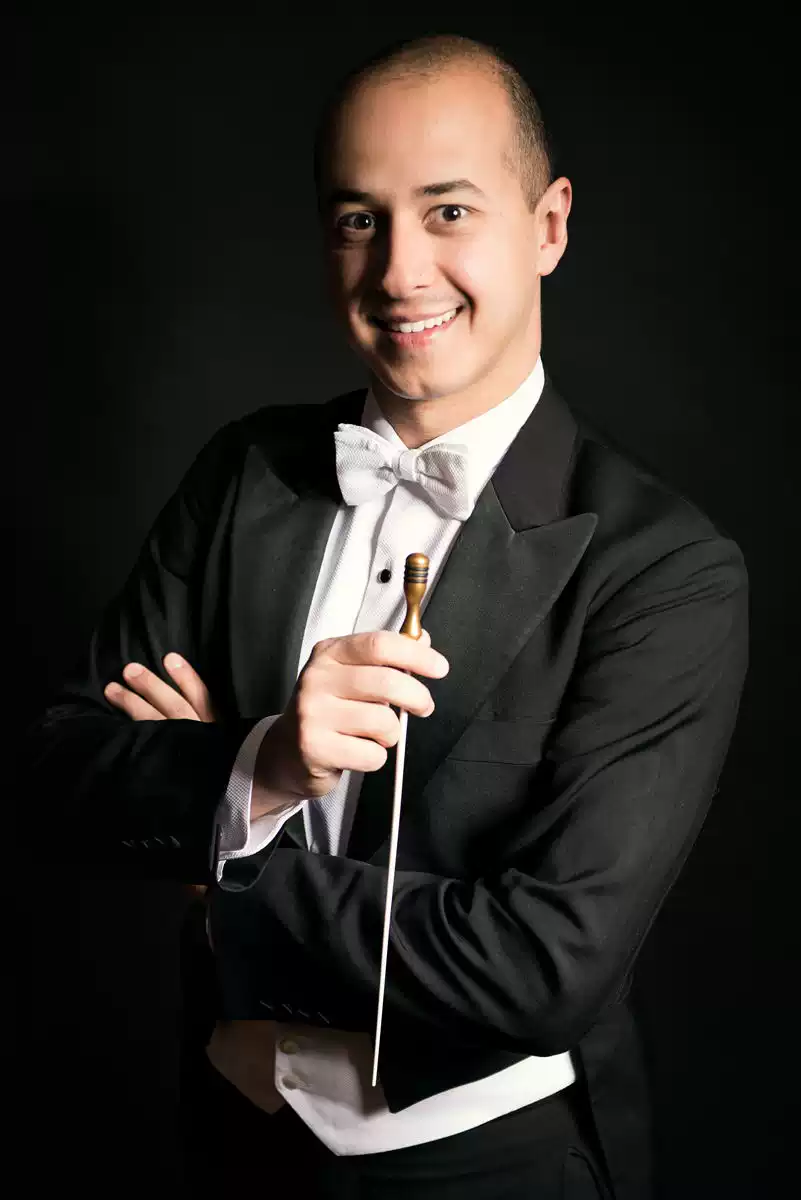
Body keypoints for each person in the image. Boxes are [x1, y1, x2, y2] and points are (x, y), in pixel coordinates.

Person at [26, 32, 749, 1200]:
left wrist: (227, 868)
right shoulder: (243, 471)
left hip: (490, 1168)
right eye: (360, 219)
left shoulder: (666, 569)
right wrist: (260, 766)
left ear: (549, 226)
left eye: (449, 211)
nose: (401, 271)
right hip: (230, 1141)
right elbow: (54, 773)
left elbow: (547, 969)